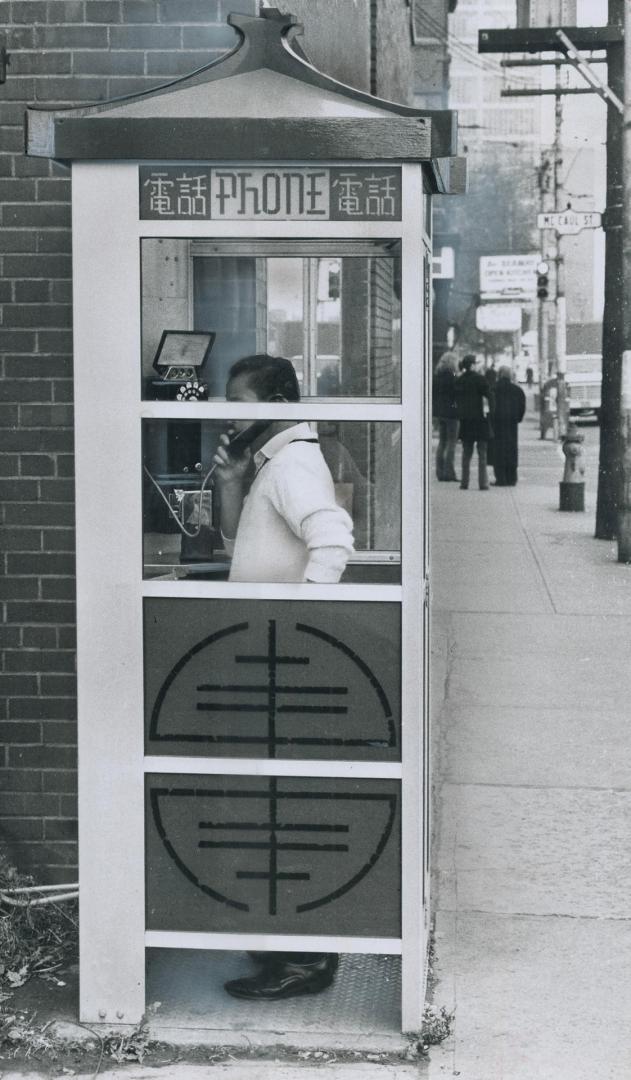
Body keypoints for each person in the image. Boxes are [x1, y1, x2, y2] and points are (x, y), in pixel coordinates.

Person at [212, 353, 354, 1001]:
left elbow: (332, 538)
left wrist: (300, 620)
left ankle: (301, 957)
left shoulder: (295, 463)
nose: (227, 411)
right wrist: (231, 478)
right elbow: (231, 541)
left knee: (276, 806)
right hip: (260, 654)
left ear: (274, 403)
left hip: (277, 654)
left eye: (238, 402)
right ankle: (287, 951)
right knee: (267, 803)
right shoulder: (271, 463)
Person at [455, 354, 491, 491]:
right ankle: (483, 483)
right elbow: (489, 396)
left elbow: (455, 400)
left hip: (466, 421)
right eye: (475, 363)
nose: (477, 365)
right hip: (480, 420)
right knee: (482, 454)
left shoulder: (460, 381)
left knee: (466, 454)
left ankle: (464, 482)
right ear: (471, 365)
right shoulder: (480, 380)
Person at [490, 366, 526, 486]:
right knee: (511, 449)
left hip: (497, 423)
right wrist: (518, 418)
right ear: (510, 375)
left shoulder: (494, 389)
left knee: (498, 450)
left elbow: (490, 406)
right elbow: (522, 407)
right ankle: (512, 478)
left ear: (499, 375)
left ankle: (501, 478)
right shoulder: (517, 390)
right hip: (511, 423)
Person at [432, 351, 459, 481]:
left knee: (442, 442)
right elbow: (457, 396)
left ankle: (440, 472)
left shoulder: (436, 376)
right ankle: (449, 472)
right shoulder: (453, 377)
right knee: (451, 443)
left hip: (439, 413)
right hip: (452, 414)